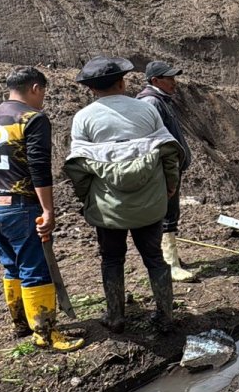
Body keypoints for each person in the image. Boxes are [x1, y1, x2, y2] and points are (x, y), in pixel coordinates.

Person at [64, 57, 185, 334]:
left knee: (111, 259)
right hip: (149, 203)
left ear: (91, 89)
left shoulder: (83, 118)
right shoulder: (146, 111)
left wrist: (87, 199)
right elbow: (169, 153)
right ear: (122, 81)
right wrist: (170, 186)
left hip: (108, 208)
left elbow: (79, 168)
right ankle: (166, 316)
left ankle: (116, 316)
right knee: (154, 258)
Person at [0, 65, 83, 352]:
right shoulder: (32, 118)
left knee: (12, 266)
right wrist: (48, 210)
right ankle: (45, 333)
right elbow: (39, 167)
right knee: (36, 267)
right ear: (35, 88)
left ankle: (21, 324)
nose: (43, 98)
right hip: (20, 208)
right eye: (43, 92)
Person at [136, 60, 195, 282]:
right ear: (155, 80)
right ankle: (169, 263)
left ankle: (171, 258)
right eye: (169, 78)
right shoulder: (152, 101)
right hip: (162, 169)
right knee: (166, 214)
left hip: (168, 168)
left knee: (170, 212)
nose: (174, 83)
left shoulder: (160, 100)